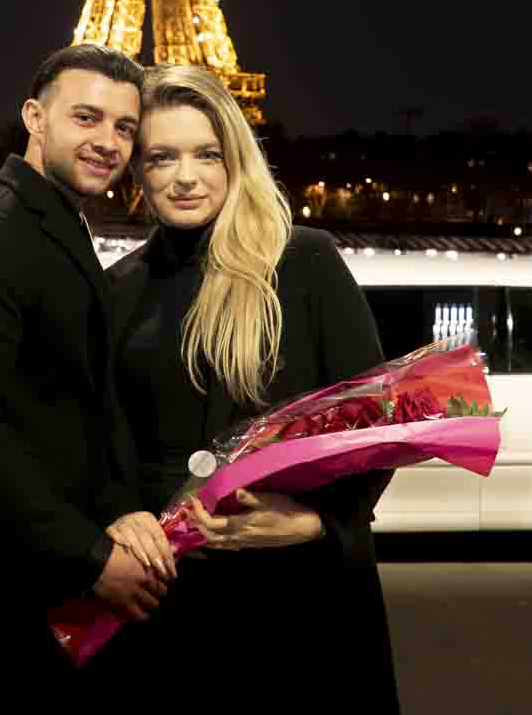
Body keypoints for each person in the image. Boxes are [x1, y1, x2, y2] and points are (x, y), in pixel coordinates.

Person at [99, 64, 400, 710]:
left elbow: (377, 425)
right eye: (161, 157)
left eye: (207, 153)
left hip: (295, 597)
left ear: (235, 158)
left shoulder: (305, 262)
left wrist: (317, 523)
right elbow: (103, 438)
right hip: (164, 599)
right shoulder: (119, 288)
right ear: (137, 173)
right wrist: (118, 514)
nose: (186, 176)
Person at [0, 45, 175, 709]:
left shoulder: (50, 227)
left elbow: (69, 412)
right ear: (34, 117)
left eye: (124, 127)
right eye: (87, 117)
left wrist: (119, 510)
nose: (108, 141)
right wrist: (93, 557)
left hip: (28, 600)